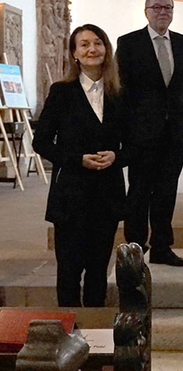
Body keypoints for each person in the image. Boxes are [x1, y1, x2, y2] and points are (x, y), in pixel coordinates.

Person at [33, 24, 132, 307]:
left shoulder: (120, 94)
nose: (92, 49)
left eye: (97, 43)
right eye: (84, 44)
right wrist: (77, 159)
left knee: (99, 271)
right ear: (74, 54)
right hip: (71, 194)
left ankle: (94, 335)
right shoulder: (62, 92)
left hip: (107, 192)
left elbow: (136, 145)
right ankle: (68, 331)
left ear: (106, 49)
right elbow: (41, 142)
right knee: (69, 270)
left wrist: (116, 157)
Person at [117, 0, 183, 267]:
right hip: (141, 134)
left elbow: (182, 91)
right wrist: (128, 134)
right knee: (139, 192)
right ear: (146, 11)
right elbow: (123, 91)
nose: (163, 12)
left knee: (166, 192)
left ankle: (162, 247)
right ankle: (136, 250)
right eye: (157, 7)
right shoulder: (128, 43)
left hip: (174, 133)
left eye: (168, 7)